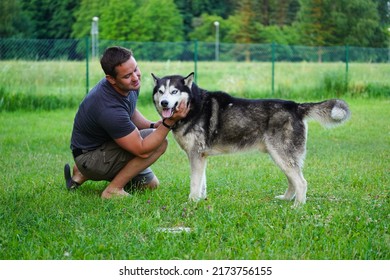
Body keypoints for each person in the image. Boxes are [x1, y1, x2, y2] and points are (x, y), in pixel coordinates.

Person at [64, 46, 189, 198]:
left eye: (136, 69)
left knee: (149, 185)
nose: (135, 77)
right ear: (111, 79)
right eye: (127, 75)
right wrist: (169, 122)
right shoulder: (108, 107)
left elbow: (130, 111)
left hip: (104, 148)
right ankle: (112, 189)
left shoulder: (129, 85)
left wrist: (152, 125)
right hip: (90, 157)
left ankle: (80, 174)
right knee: (159, 142)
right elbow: (141, 149)